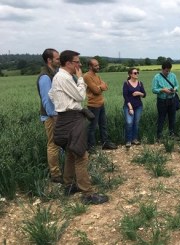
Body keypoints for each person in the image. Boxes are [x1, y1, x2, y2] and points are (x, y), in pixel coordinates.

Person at [49, 50, 108, 205]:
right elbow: (81, 96)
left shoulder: (58, 77)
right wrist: (81, 79)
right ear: (68, 63)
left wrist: (62, 102)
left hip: (64, 117)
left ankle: (69, 185)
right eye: (77, 61)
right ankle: (87, 193)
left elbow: (51, 94)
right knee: (81, 156)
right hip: (72, 118)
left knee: (70, 152)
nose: (79, 64)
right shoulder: (64, 77)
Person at [36, 48, 63, 183]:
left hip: (57, 115)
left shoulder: (56, 73)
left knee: (60, 143)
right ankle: (55, 174)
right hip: (51, 117)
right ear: (49, 60)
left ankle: (61, 168)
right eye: (57, 58)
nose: (59, 60)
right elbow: (47, 100)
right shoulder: (45, 77)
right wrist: (55, 116)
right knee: (53, 144)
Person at [84, 58, 117, 153]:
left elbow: (105, 86)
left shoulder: (96, 76)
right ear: (90, 66)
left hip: (101, 103)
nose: (98, 67)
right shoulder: (87, 76)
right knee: (92, 127)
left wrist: (100, 87)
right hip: (93, 105)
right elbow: (96, 90)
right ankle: (91, 147)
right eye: (96, 65)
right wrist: (99, 87)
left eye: (98, 65)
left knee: (103, 125)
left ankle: (105, 143)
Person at [152, 61, 180, 140]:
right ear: (162, 69)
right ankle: (159, 136)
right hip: (162, 101)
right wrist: (162, 90)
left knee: (172, 118)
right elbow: (153, 90)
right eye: (166, 71)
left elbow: (177, 85)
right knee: (161, 118)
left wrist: (175, 89)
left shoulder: (173, 75)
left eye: (169, 71)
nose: (168, 72)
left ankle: (172, 135)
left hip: (172, 100)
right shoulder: (157, 77)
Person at [123, 68, 146, 148]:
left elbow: (144, 94)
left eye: (137, 73)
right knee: (129, 123)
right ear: (130, 74)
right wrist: (130, 108)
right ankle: (128, 140)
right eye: (135, 73)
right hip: (129, 106)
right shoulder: (126, 83)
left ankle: (134, 139)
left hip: (138, 106)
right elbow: (125, 96)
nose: (137, 74)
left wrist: (139, 93)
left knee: (136, 123)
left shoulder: (140, 83)